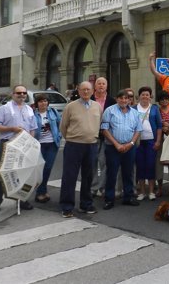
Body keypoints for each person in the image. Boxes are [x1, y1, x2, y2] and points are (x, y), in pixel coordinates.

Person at [0, 85, 37, 212]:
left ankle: (22, 200)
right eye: (19, 93)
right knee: (2, 173)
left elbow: (33, 128)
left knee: (23, 173)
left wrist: (31, 143)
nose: (22, 95)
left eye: (24, 93)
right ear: (13, 94)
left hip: (24, 146)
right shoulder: (4, 109)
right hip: (8, 144)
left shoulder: (29, 109)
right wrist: (12, 129)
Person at [59, 81, 101, 218]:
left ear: (93, 91)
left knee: (88, 177)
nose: (86, 92)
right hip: (73, 145)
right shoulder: (70, 107)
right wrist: (73, 138)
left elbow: (99, 125)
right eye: (83, 89)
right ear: (78, 90)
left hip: (91, 145)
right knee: (69, 177)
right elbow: (63, 127)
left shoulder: (97, 106)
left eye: (88, 89)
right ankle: (67, 206)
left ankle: (86, 204)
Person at [101, 90, 142, 209]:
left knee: (128, 173)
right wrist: (116, 144)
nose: (124, 100)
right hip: (113, 147)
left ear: (129, 100)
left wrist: (132, 143)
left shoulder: (135, 113)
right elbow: (104, 129)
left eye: (126, 98)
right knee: (112, 173)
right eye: (121, 98)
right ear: (117, 99)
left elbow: (138, 130)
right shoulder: (109, 111)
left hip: (130, 147)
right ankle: (109, 199)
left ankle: (128, 197)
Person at [134, 86, 163, 201]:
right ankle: (142, 192)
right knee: (140, 165)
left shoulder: (155, 108)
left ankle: (151, 191)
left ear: (150, 97)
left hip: (151, 141)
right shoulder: (133, 108)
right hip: (138, 141)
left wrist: (158, 141)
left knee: (151, 165)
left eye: (147, 94)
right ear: (139, 96)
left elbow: (159, 126)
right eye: (143, 94)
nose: (145, 96)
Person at [33, 93, 61, 203]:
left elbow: (60, 124)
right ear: (37, 103)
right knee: (40, 169)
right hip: (39, 145)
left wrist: (59, 135)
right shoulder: (32, 114)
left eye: (45, 101)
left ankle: (41, 191)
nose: (43, 103)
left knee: (47, 168)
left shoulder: (53, 112)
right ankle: (41, 192)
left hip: (52, 144)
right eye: (41, 101)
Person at [91, 77, 116, 198]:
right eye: (99, 84)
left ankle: (102, 187)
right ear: (95, 86)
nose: (101, 86)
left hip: (106, 135)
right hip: (92, 135)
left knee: (104, 162)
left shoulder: (112, 101)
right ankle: (93, 187)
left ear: (107, 86)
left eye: (103, 84)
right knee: (92, 162)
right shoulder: (89, 99)